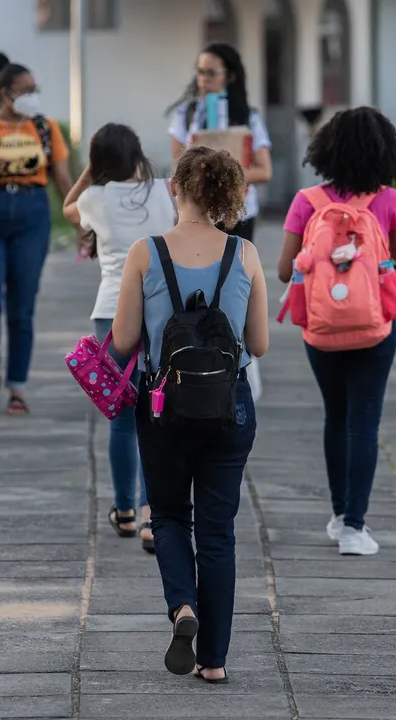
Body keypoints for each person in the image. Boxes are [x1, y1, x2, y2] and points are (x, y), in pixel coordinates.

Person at [112, 146, 269, 683]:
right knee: (218, 531)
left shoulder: (143, 252)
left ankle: (182, 605)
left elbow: (124, 339)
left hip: (162, 407)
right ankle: (215, 660)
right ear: (227, 193)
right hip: (230, 408)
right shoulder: (244, 255)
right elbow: (260, 344)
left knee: (171, 515)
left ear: (173, 188)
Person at [277, 107, 396, 556]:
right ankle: (356, 527)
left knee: (335, 415)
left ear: (326, 151)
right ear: (385, 152)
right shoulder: (389, 201)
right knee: (364, 421)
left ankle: (339, 517)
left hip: (320, 328)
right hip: (375, 330)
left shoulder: (306, 201)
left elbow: (284, 271)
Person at [63, 123, 177, 554]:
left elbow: (68, 207)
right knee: (157, 416)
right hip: (160, 311)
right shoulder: (165, 191)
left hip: (110, 313)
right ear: (136, 156)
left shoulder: (94, 198)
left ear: (99, 161)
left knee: (122, 417)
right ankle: (152, 514)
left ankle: (125, 511)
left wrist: (90, 172)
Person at [0, 52, 74, 415]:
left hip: (32, 216)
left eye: (36, 89)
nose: (34, 95)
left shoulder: (45, 128)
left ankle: (17, 385)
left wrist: (85, 223)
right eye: (27, 90)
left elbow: (65, 183)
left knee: (22, 308)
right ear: (7, 94)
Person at [167, 42, 272, 243]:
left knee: (235, 270)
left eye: (211, 73)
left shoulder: (248, 118)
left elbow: (265, 171)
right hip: (196, 212)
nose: (204, 79)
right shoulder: (186, 114)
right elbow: (176, 165)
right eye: (200, 72)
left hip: (238, 215)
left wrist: (222, 174)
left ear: (229, 76)